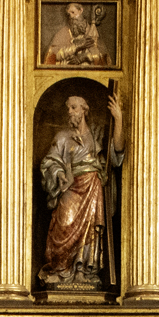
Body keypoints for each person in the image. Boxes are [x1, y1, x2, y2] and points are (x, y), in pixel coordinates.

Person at [39, 92, 124, 288]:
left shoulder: (98, 134)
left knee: (90, 228)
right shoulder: (62, 137)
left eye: (74, 107)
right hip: (71, 185)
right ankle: (61, 270)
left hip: (93, 185)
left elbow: (117, 153)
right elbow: (49, 161)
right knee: (63, 224)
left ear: (84, 109)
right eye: (68, 108)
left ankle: (83, 270)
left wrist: (118, 119)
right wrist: (60, 173)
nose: (70, 111)